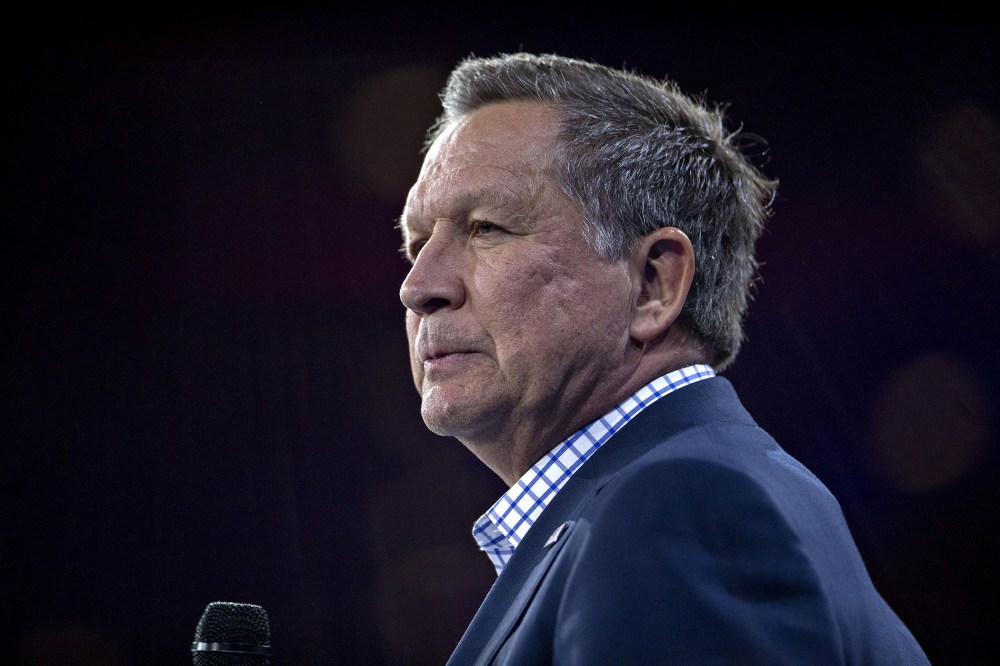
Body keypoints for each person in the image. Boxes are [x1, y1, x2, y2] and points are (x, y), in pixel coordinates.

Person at [397, 51, 930, 665]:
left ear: (653, 284)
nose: (418, 286)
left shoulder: (680, 510)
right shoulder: (686, 497)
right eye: (416, 244)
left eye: (486, 228)